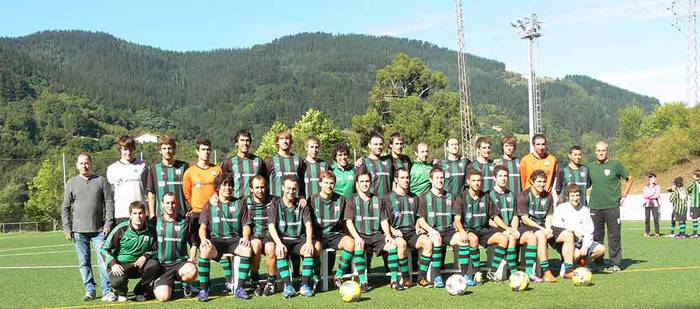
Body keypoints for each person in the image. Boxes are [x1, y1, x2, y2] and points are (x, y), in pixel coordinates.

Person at [62, 152, 116, 302]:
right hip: (79, 231)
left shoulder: (101, 181)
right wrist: (67, 227)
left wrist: (108, 223)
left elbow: (109, 203)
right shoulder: (71, 183)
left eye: (86, 163)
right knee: (84, 262)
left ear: (91, 163)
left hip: (99, 230)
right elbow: (65, 207)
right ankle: (90, 290)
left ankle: (107, 291)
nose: (84, 166)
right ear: (76, 165)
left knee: (103, 261)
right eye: (81, 163)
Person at [416, 167, 477, 288]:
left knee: (463, 240)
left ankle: (464, 275)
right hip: (433, 232)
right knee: (437, 239)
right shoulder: (423, 197)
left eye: (442, 178)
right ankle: (437, 276)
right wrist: (430, 230)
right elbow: (420, 219)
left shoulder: (451, 197)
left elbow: (456, 216)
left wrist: (458, 227)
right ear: (431, 180)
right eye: (437, 178)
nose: (440, 180)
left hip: (448, 231)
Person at [197, 173, 254, 301]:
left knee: (247, 249)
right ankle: (203, 289)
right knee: (205, 250)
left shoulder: (240, 203)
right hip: (217, 241)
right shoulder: (209, 204)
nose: (228, 188)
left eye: (230, 185)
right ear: (218, 187)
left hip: (234, 241)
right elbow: (202, 227)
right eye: (224, 185)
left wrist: (245, 237)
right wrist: (203, 239)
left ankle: (239, 288)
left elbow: (246, 225)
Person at [345, 171, 401, 292]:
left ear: (370, 183)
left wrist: (387, 235)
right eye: (362, 181)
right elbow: (349, 221)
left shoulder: (377, 200)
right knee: (358, 246)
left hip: (376, 236)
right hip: (361, 235)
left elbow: (383, 220)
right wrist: (356, 237)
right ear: (357, 183)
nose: (365, 184)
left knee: (392, 245)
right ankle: (363, 282)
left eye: (367, 181)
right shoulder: (352, 200)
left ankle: (394, 280)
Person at [516, 169, 576, 282]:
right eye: (539, 182)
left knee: (568, 235)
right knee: (541, 234)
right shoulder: (523, 196)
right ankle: (546, 271)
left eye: (544, 181)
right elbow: (525, 219)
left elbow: (549, 216)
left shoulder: (548, 196)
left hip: (544, 226)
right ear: (532, 182)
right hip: (529, 227)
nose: (542, 184)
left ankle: (568, 270)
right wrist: (543, 229)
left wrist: (548, 228)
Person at [455, 170, 511, 284]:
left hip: (483, 230)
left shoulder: (486, 197)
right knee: (473, 239)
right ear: (468, 181)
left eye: (479, 180)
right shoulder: (462, 197)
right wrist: (461, 231)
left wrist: (507, 228)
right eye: (474, 180)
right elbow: (457, 219)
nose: (476, 183)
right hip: (469, 229)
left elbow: (495, 217)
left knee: (504, 239)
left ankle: (493, 272)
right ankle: (477, 272)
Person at [268, 175, 318, 298]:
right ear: (283, 188)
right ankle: (288, 286)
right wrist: (279, 243)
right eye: (288, 188)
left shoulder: (302, 204)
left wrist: (309, 242)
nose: (291, 191)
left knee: (308, 250)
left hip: (298, 240)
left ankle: (304, 285)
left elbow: (308, 224)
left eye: (294, 189)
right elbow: (271, 226)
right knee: (279, 252)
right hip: (283, 240)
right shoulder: (275, 205)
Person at [488, 165, 541, 282]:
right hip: (496, 229)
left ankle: (529, 273)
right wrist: (507, 229)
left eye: (505, 176)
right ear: (494, 178)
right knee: (511, 237)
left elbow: (515, 216)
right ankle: (514, 274)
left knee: (531, 237)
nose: (503, 179)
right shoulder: (489, 195)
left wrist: (514, 228)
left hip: (511, 228)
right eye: (500, 176)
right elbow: (490, 220)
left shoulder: (512, 195)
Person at [586, 141, 633, 273]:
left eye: (603, 150)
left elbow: (630, 178)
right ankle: (598, 262)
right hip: (595, 206)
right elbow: (586, 184)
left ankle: (615, 263)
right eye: (598, 151)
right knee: (596, 236)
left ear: (607, 151)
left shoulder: (615, 165)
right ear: (595, 152)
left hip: (612, 206)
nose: (601, 153)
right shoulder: (589, 167)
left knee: (614, 235)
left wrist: (624, 195)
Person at [100, 201, 159, 302]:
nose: (138, 216)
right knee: (117, 281)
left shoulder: (151, 230)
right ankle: (121, 292)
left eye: (140, 213)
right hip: (121, 265)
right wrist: (113, 264)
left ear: (145, 214)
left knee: (154, 265)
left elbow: (157, 249)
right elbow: (104, 249)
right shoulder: (121, 229)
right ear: (130, 215)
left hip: (139, 265)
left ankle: (140, 291)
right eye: (135, 213)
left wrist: (146, 255)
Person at [385, 168, 433, 288]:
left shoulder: (414, 197)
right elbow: (384, 220)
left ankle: (421, 278)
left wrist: (418, 227)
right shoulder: (387, 198)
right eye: (402, 178)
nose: (406, 180)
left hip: (412, 233)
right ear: (396, 179)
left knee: (428, 242)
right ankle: (406, 278)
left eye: (407, 178)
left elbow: (418, 217)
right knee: (401, 244)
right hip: (397, 233)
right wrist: (392, 230)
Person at [308, 171, 356, 288]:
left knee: (351, 244)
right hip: (318, 236)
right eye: (326, 183)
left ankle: (338, 276)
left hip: (335, 235)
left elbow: (345, 221)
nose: (329, 186)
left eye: (331, 183)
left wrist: (349, 235)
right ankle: (316, 278)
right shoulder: (312, 200)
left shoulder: (341, 199)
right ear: (320, 183)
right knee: (316, 247)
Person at [182, 138, 222, 267]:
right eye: (203, 150)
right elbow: (186, 192)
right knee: (197, 246)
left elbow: (222, 189)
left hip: (214, 213)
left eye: (208, 150)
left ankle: (229, 279)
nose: (206, 152)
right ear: (197, 151)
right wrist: (194, 206)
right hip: (198, 214)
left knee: (215, 247)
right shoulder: (190, 172)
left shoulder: (217, 169)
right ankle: (197, 282)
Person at [153, 193, 198, 302]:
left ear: (176, 204)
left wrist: (191, 258)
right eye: (167, 203)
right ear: (162, 204)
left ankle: (185, 285)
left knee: (192, 271)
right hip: (162, 266)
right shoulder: (155, 222)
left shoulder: (185, 222)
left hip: (179, 264)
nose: (170, 205)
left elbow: (194, 244)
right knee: (163, 298)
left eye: (173, 203)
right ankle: (164, 284)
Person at [553, 185, 606, 267]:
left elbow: (589, 231)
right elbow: (556, 225)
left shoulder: (584, 210)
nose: (575, 198)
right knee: (576, 254)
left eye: (577, 195)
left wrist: (585, 246)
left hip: (581, 242)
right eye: (572, 196)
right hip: (567, 241)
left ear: (580, 196)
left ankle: (581, 262)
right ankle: (566, 267)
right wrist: (572, 231)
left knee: (601, 249)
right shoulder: (561, 208)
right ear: (568, 196)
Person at [245, 175, 277, 296]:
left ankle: (271, 283)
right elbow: (227, 200)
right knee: (256, 245)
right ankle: (255, 280)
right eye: (257, 187)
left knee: (270, 248)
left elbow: (289, 200)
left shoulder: (274, 200)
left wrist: (301, 198)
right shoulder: (244, 201)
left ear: (266, 187)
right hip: (254, 236)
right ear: (251, 189)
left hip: (269, 235)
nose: (260, 190)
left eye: (262, 187)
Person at [106, 135, 147, 225]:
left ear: (134, 149)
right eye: (125, 149)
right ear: (120, 149)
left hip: (140, 214)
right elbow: (111, 192)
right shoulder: (112, 168)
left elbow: (146, 189)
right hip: (121, 214)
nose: (128, 152)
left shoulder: (142, 166)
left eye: (131, 149)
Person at [147, 136, 189, 219]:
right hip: (161, 217)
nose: (167, 151)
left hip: (182, 215)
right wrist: (152, 214)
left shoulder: (184, 167)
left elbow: (191, 190)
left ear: (174, 150)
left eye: (169, 148)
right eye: (164, 148)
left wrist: (191, 208)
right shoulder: (154, 169)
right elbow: (151, 193)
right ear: (160, 151)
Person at [221, 129, 266, 198]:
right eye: (242, 140)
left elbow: (265, 182)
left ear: (250, 143)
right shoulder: (229, 163)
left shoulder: (259, 161)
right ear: (236, 143)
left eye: (247, 140)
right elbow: (223, 184)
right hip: (236, 203)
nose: (245, 143)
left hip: (254, 204)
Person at [265, 130, 304, 198]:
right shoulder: (270, 161)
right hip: (275, 202)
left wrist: (302, 196)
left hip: (294, 202)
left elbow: (302, 182)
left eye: (287, 138)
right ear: (277, 142)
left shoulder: (298, 160)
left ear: (291, 141)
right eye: (281, 139)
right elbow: (264, 183)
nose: (285, 141)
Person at [642, 173, 661, 238]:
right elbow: (645, 195)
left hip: (655, 204)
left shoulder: (657, 186)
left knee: (656, 218)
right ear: (650, 179)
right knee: (647, 219)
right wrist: (653, 192)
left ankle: (657, 232)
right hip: (647, 204)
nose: (654, 179)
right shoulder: (645, 187)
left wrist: (650, 194)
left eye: (655, 178)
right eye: (653, 178)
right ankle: (647, 232)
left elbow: (657, 195)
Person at [688, 170, 700, 238]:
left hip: (695, 204)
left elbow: (688, 189)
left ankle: (695, 233)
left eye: (693, 175)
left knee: (694, 219)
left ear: (695, 176)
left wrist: (691, 195)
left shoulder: (694, 183)